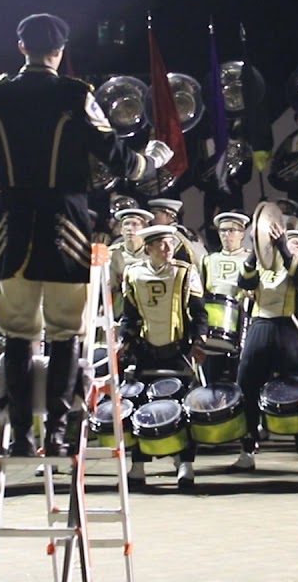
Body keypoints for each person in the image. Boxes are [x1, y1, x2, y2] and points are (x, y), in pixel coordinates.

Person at [0, 12, 172, 456]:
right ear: (60, 51)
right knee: (64, 333)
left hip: (13, 228)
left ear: (22, 48)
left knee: (17, 333)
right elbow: (115, 155)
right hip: (66, 228)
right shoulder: (75, 95)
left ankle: (19, 434)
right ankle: (57, 431)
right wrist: (148, 161)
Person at [118, 225, 209, 490]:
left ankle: (185, 464)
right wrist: (125, 339)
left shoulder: (185, 272)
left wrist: (199, 339)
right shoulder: (132, 273)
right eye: (161, 245)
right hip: (146, 350)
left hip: (177, 350)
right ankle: (138, 465)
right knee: (141, 407)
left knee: (182, 407)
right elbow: (130, 315)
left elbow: (199, 313)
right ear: (148, 248)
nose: (168, 249)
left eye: (170, 243)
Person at [232, 225, 298, 473]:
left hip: (287, 329)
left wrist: (284, 249)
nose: (293, 246)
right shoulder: (263, 266)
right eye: (288, 242)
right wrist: (256, 250)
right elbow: (243, 281)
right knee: (246, 387)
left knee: (295, 391)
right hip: (260, 326)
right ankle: (247, 450)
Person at [107, 208, 153, 317]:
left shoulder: (152, 252)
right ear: (121, 230)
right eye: (126, 224)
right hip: (120, 310)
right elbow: (107, 285)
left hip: (148, 307)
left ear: (144, 229)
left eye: (135, 224)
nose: (129, 229)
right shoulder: (112, 254)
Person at [146, 198, 205, 268]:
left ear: (169, 215)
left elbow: (159, 257)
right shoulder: (186, 231)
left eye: (155, 214)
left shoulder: (171, 234)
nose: (151, 218)